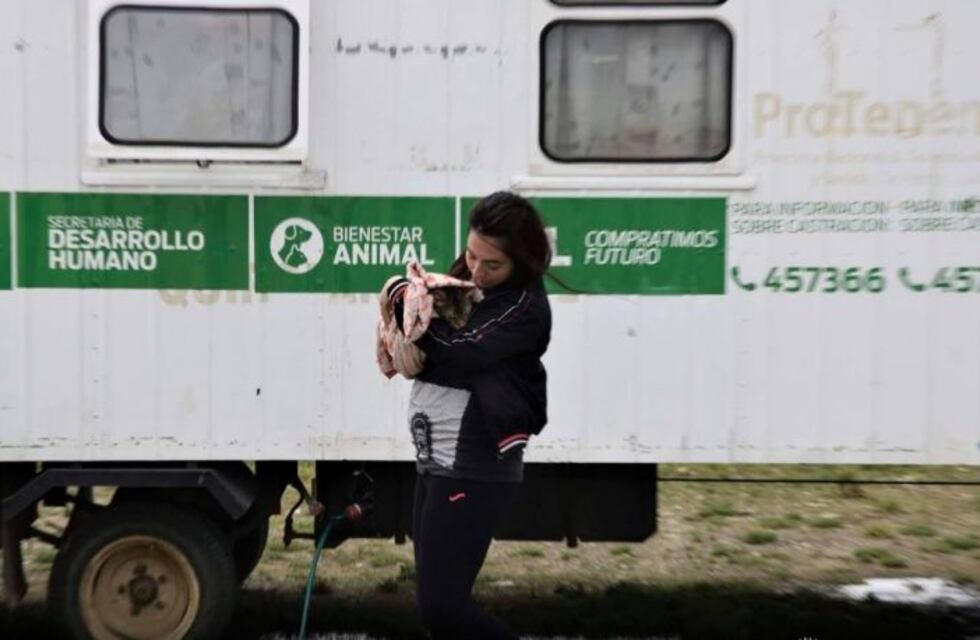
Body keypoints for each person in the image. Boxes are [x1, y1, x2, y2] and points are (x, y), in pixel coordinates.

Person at [382, 191, 553, 639]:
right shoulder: (475, 279)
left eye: (491, 265)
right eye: (470, 255)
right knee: (435, 611)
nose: (475, 271)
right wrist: (406, 303)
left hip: (475, 466)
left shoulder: (523, 308)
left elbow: (460, 349)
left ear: (523, 260)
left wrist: (412, 318)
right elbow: (436, 321)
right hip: (436, 458)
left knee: (444, 610)